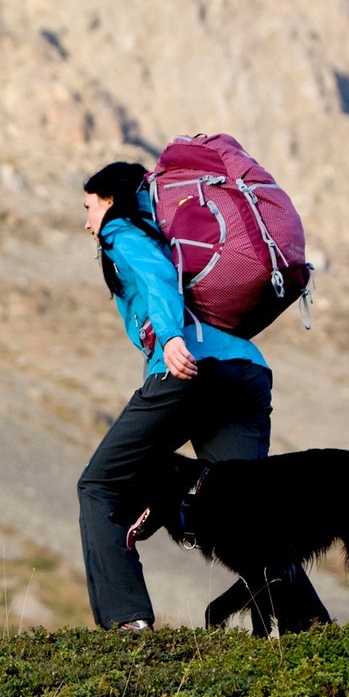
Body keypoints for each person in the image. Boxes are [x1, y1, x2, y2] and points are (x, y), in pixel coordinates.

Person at [76, 160, 329, 632]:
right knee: (250, 512)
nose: (86, 220)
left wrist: (171, 338)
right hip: (245, 372)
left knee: (99, 486)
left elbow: (156, 278)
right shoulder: (172, 237)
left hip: (188, 369)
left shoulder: (122, 231)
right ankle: (310, 627)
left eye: (88, 206)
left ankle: (127, 621)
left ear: (109, 200)